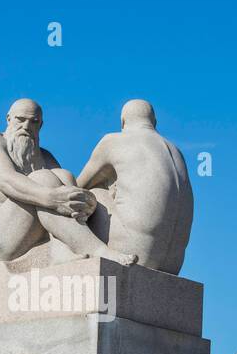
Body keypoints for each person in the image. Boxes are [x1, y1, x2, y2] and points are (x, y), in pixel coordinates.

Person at [0, 99, 136, 266]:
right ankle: (97, 250)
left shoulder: (45, 156)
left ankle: (62, 251)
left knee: (64, 175)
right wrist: (52, 197)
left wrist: (85, 202)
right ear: (8, 119)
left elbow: (68, 192)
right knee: (42, 179)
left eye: (34, 122)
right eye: (20, 119)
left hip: (27, 236)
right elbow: (6, 180)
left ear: (40, 126)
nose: (26, 127)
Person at [77, 99, 194, 274]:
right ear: (154, 123)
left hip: (133, 252)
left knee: (92, 193)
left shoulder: (113, 141)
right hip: (174, 263)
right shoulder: (177, 152)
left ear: (123, 122)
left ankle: (70, 254)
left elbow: (78, 187)